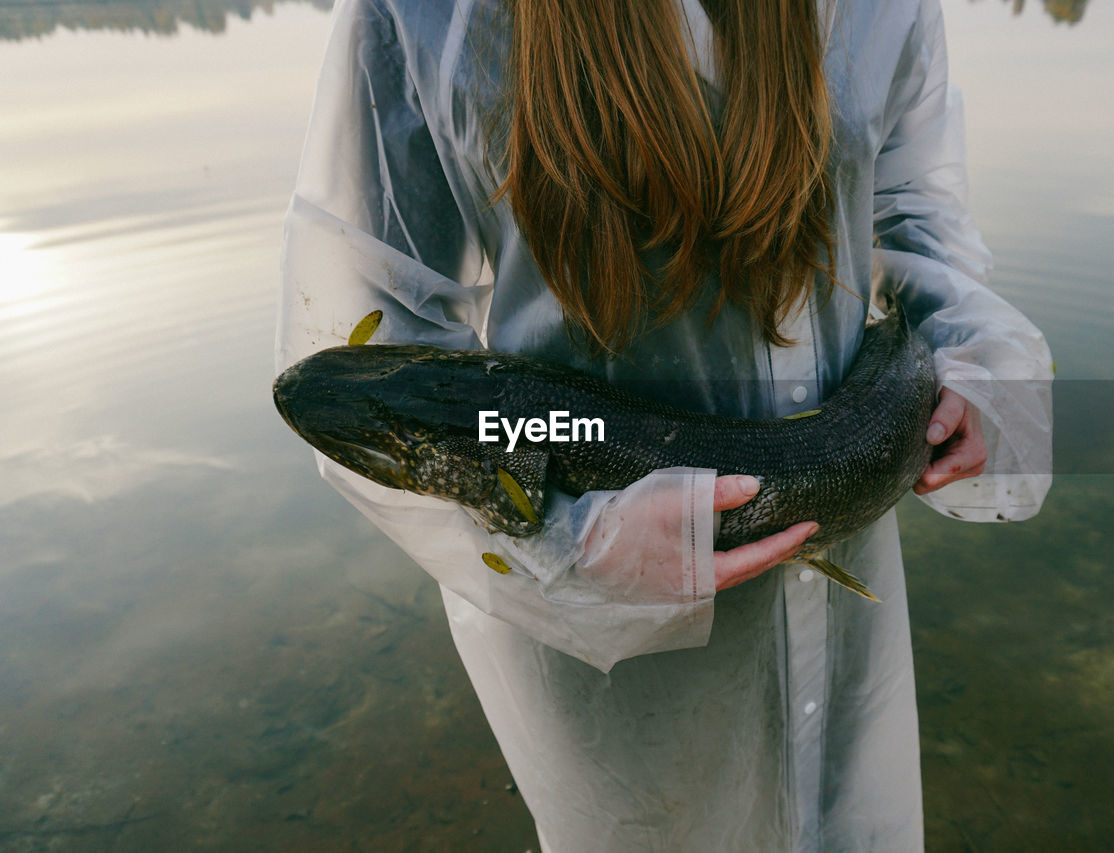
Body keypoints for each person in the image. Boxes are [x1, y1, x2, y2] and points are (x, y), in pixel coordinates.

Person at [275, 0, 1053, 849]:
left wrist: (968, 360)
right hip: (620, 683)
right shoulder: (423, 12)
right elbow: (368, 324)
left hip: (847, 626)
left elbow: (911, 215)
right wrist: (570, 540)